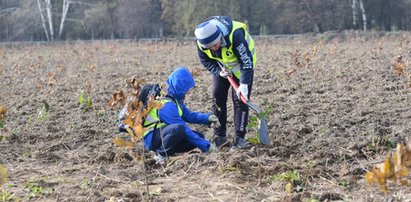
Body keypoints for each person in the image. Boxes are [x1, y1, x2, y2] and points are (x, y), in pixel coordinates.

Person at [132, 67, 220, 164]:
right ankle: (161, 154)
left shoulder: (175, 99)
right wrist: (206, 146)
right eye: (187, 88)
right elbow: (184, 129)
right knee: (179, 129)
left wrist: (207, 118)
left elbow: (188, 115)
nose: (188, 92)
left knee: (199, 136)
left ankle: (170, 151)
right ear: (180, 86)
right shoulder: (166, 105)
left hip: (164, 133)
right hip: (152, 137)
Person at [194, 16, 256, 149]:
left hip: (242, 67)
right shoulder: (201, 44)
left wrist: (244, 84)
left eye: (214, 45)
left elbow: (246, 62)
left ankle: (240, 138)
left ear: (219, 37)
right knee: (217, 97)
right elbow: (205, 61)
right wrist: (218, 71)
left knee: (240, 100)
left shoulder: (235, 36)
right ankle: (219, 136)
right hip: (223, 67)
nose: (213, 49)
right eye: (209, 48)